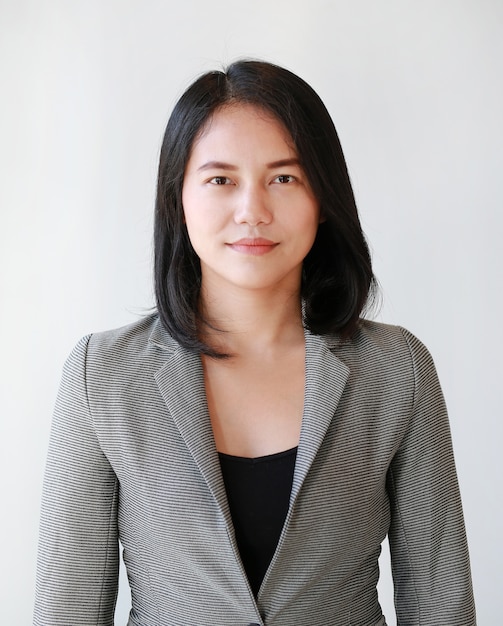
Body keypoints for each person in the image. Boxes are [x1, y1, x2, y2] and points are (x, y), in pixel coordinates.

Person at [33, 60, 476, 626]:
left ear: (323, 197)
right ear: (179, 200)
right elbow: (65, 610)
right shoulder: (102, 375)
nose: (252, 211)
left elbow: (441, 603)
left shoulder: (397, 370)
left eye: (284, 178)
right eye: (221, 180)